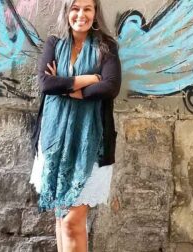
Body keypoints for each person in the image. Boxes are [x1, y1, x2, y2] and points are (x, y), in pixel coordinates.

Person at [30, 0, 121, 251]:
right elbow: (46, 85)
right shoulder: (54, 44)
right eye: (75, 8)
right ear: (67, 11)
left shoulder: (106, 47)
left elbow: (111, 86)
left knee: (71, 222)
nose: (81, 14)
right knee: (62, 219)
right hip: (53, 142)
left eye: (87, 9)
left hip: (89, 145)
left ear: (95, 13)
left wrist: (68, 87)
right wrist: (90, 78)